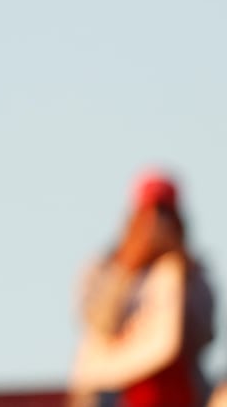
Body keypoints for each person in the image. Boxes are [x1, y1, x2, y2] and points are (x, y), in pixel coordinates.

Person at [68, 169, 216, 407]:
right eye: (148, 214)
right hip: (112, 390)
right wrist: (129, 266)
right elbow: (99, 322)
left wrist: (181, 279)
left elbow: (205, 336)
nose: (156, 225)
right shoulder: (101, 267)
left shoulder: (191, 274)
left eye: (165, 214)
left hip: (177, 391)